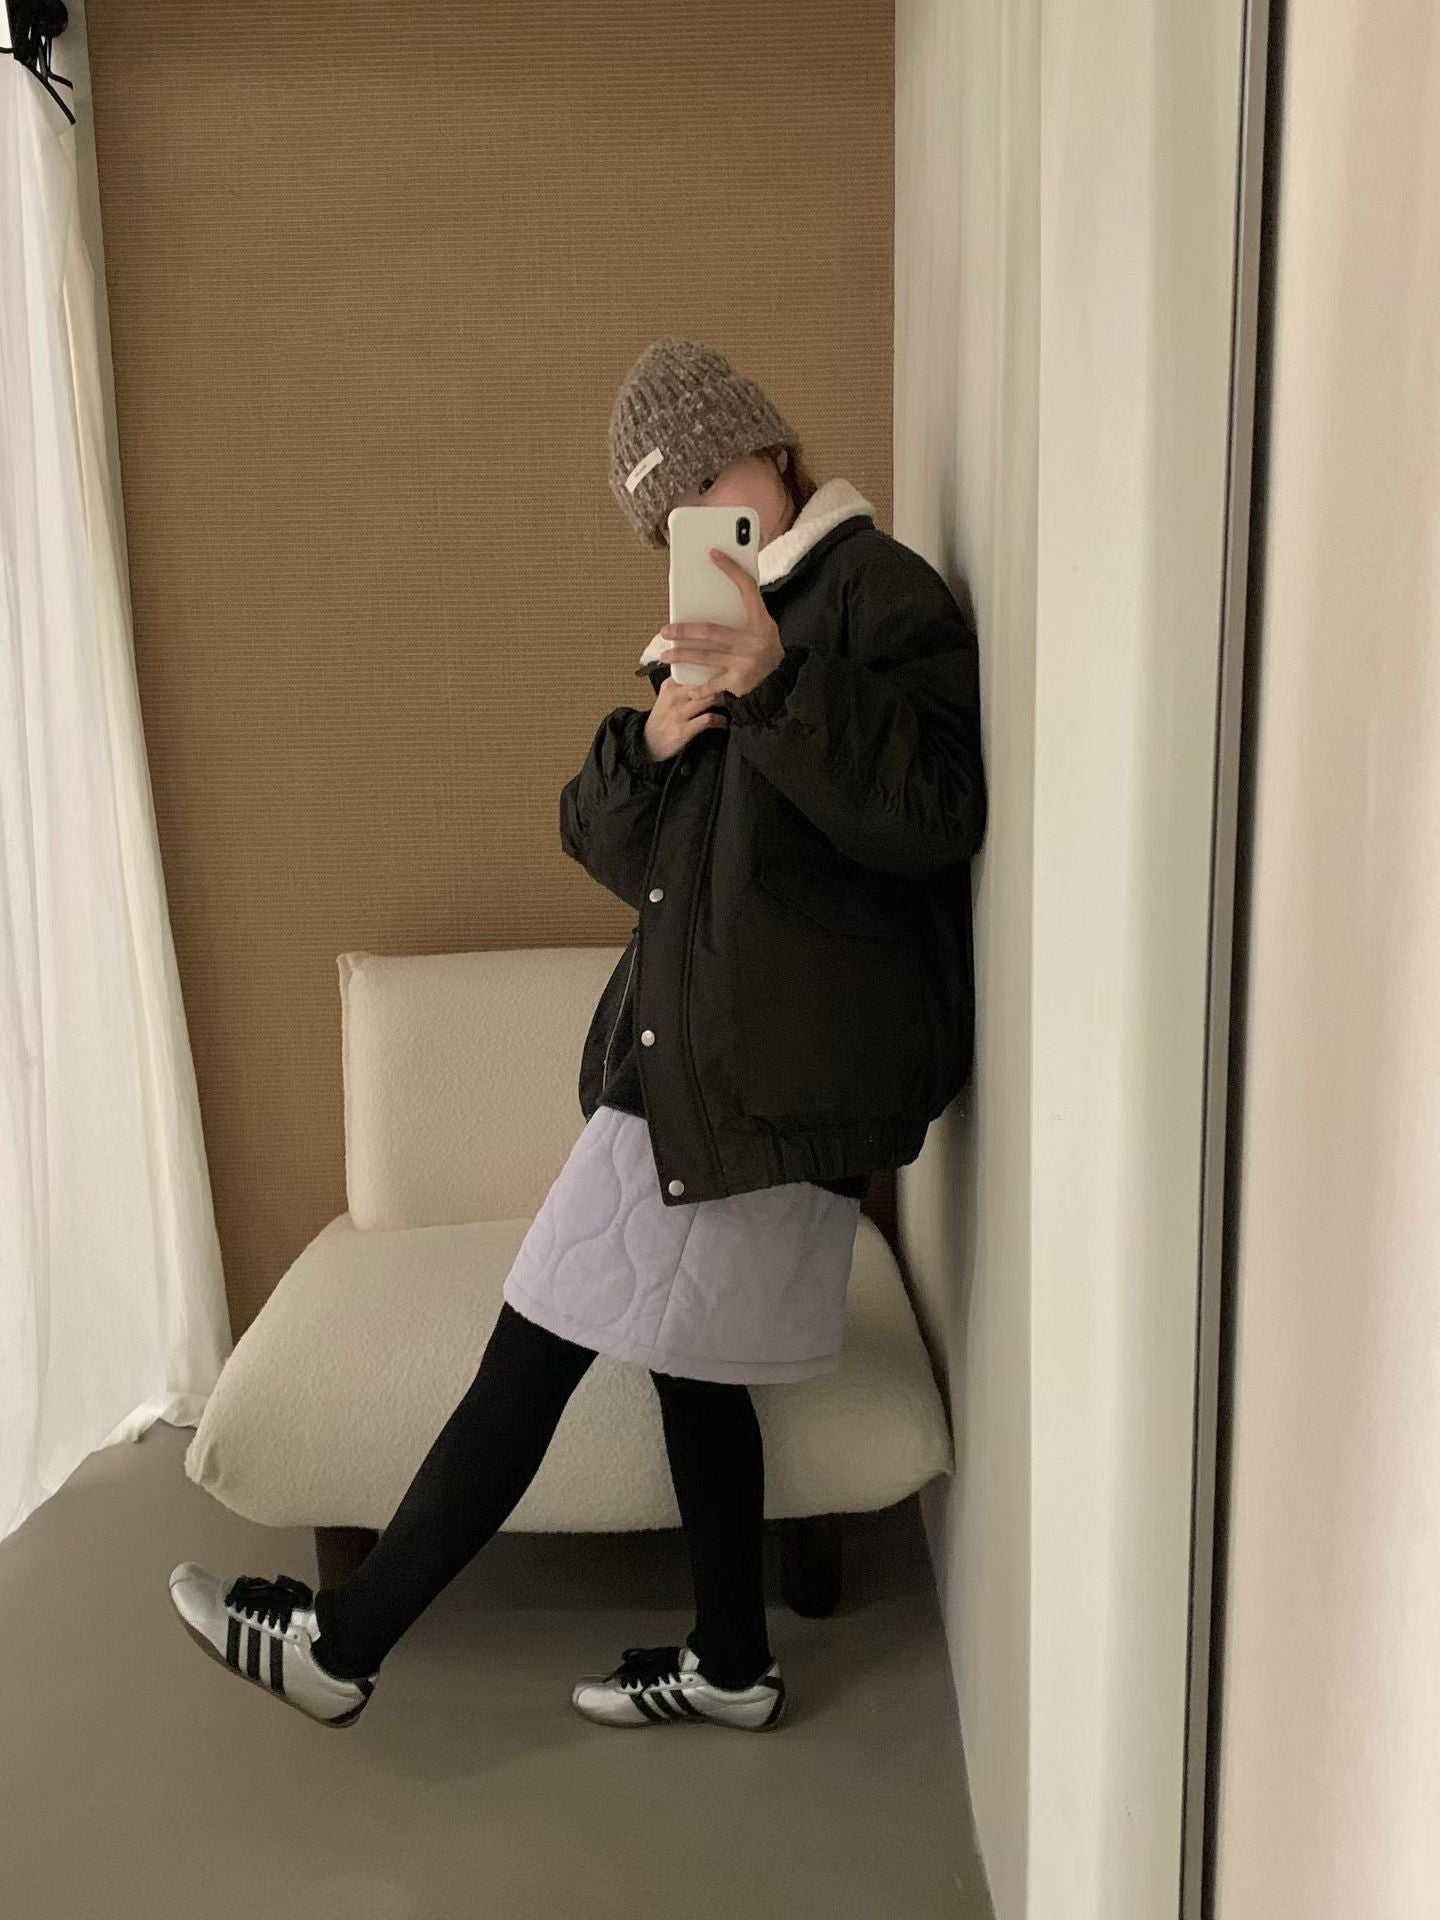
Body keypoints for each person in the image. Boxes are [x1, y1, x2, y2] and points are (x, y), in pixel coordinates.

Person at [168, 338, 987, 1734]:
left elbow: (935, 810)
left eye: (710, 484)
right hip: (697, 1061)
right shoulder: (719, 637)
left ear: (769, 447)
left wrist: (780, 681)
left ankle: (346, 1646)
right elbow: (628, 857)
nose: (699, 523)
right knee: (690, 1363)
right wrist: (658, 742)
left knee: (532, 1347)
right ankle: (732, 1664)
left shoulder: (873, 594)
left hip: (757, 1076)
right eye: (669, 519)